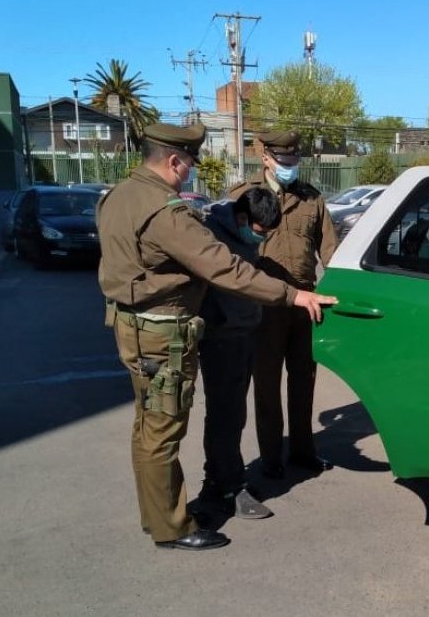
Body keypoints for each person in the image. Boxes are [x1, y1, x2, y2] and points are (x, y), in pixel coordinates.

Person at [96, 122, 336, 551]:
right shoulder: (167, 211)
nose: (189, 171)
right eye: (188, 162)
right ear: (173, 160)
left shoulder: (117, 197)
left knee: (149, 428)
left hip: (134, 325)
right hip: (162, 330)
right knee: (161, 432)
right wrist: (291, 295)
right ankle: (171, 526)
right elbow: (224, 269)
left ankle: (164, 512)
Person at [228, 130, 337, 480]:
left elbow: (330, 252)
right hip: (264, 307)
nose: (290, 166)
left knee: (303, 380)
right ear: (266, 159)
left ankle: (304, 451)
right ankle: (271, 457)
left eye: (294, 161)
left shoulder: (311, 199)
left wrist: (341, 290)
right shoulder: (244, 198)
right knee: (267, 384)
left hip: (306, 305)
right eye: (283, 161)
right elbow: (229, 256)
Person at [190, 187, 280, 522]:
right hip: (221, 336)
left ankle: (221, 479)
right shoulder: (211, 235)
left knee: (231, 414)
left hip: (243, 332)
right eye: (260, 233)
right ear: (242, 217)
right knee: (225, 415)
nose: (262, 240)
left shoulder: (243, 233)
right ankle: (225, 486)